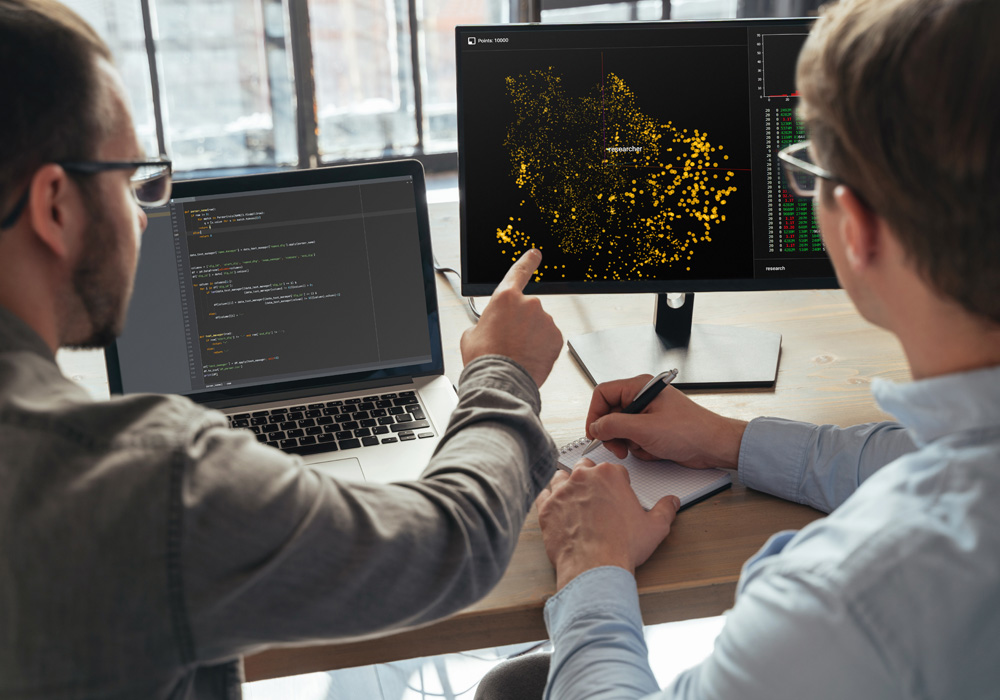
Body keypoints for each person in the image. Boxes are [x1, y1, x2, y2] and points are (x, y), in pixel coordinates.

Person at [0, 1, 564, 697]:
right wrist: (501, 369)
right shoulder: (146, 480)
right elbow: (451, 545)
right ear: (55, 206)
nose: (146, 217)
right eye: (130, 181)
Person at [529, 0, 1000, 697]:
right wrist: (729, 441)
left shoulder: (848, 599)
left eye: (811, 171)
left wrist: (590, 568)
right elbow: (939, 455)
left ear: (860, 228)